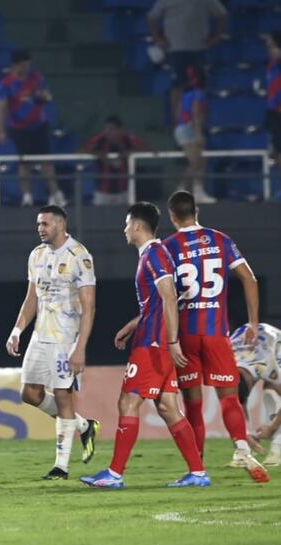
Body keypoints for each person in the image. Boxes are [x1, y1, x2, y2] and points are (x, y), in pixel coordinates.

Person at [81, 202, 210, 489]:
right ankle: (198, 472)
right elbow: (156, 302)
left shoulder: (154, 253)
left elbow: (169, 298)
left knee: (128, 401)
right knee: (167, 406)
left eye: (127, 224)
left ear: (137, 226)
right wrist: (133, 324)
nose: (124, 229)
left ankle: (114, 474)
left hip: (154, 343)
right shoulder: (154, 254)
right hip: (155, 337)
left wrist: (172, 341)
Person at [163, 190, 269, 483]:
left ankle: (197, 470)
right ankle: (241, 448)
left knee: (193, 404)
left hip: (185, 336)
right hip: (216, 333)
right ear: (196, 210)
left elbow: (165, 295)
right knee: (229, 398)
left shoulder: (167, 247)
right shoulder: (221, 240)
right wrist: (253, 322)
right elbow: (249, 278)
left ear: (173, 216)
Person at [5, 205, 99, 479]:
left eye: (45, 224)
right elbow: (32, 297)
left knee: (63, 395)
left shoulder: (79, 256)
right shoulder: (36, 255)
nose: (40, 229)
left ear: (60, 224)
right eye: (38, 224)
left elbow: (89, 306)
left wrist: (80, 348)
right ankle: (84, 426)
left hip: (65, 339)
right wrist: (17, 329)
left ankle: (61, 466)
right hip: (40, 335)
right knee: (29, 393)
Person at [0, 49, 65, 207]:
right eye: (22, 64)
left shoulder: (36, 78)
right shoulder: (6, 84)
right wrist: (1, 130)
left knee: (46, 161)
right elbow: (2, 108)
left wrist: (42, 96)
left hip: (39, 126)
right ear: (15, 65)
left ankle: (55, 194)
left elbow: (48, 97)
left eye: (27, 64)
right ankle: (27, 196)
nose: (26, 68)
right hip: (19, 128)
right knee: (24, 163)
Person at [147, 0, 227, 128]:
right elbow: (152, 17)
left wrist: (217, 37)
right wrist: (158, 39)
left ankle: (198, 127)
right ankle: (178, 128)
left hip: (198, 49)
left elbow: (222, 14)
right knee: (177, 87)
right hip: (175, 50)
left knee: (199, 89)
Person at [230, 322, 281, 467]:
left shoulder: (267, 367)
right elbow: (233, 405)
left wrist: (271, 427)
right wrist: (244, 434)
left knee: (270, 390)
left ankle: (277, 448)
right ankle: (243, 451)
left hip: (275, 345)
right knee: (233, 402)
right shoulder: (224, 367)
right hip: (245, 344)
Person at [80, 116, 147, 206]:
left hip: (123, 190)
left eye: (111, 129)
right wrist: (98, 154)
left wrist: (130, 153)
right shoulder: (100, 139)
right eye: (106, 129)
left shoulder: (128, 139)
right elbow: (81, 150)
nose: (108, 132)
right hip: (103, 191)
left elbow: (148, 149)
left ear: (120, 130)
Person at [174, 66, 214, 203]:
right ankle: (180, 191)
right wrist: (198, 134)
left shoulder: (186, 94)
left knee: (201, 161)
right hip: (188, 129)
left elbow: (178, 113)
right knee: (195, 161)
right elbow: (196, 112)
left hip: (183, 128)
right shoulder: (198, 93)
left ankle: (198, 192)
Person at [264, 31, 281, 197]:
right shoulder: (272, 64)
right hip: (273, 113)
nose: (269, 49)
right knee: (276, 152)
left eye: (272, 46)